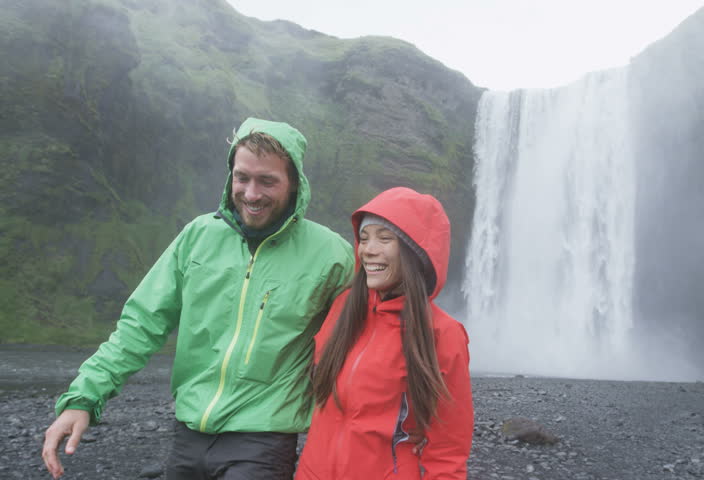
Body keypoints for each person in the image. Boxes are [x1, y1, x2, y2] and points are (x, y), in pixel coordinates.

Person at [41, 117, 354, 479]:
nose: (251, 194)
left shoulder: (332, 254)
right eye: (242, 178)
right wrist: (83, 399)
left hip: (264, 440)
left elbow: (365, 338)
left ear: (295, 183)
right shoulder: (198, 237)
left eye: (267, 181)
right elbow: (140, 325)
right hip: (188, 433)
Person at [295, 187, 474, 480]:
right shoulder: (343, 308)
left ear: (415, 252)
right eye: (364, 238)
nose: (368, 249)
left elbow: (447, 449)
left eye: (384, 238)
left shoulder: (442, 334)